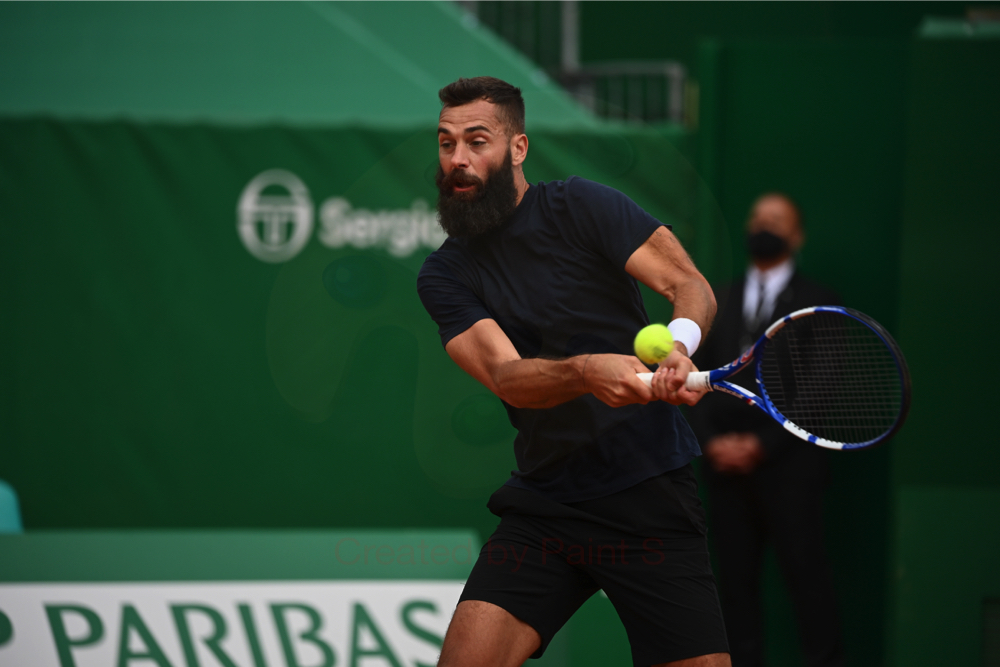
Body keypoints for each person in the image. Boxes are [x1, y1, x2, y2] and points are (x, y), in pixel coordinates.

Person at [417, 76, 729, 667]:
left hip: (649, 493)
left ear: (517, 148)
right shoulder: (445, 276)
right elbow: (507, 378)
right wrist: (586, 372)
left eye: (476, 141)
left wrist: (680, 347)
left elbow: (688, 286)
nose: (457, 160)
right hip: (548, 504)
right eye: (445, 142)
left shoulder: (583, 206)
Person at [686, 194, 844, 667]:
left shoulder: (819, 302)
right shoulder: (722, 297)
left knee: (807, 580)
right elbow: (701, 377)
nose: (762, 226)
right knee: (733, 588)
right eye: (756, 218)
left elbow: (821, 388)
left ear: (796, 237)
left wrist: (761, 444)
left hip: (792, 471)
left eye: (775, 221)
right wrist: (714, 442)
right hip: (725, 473)